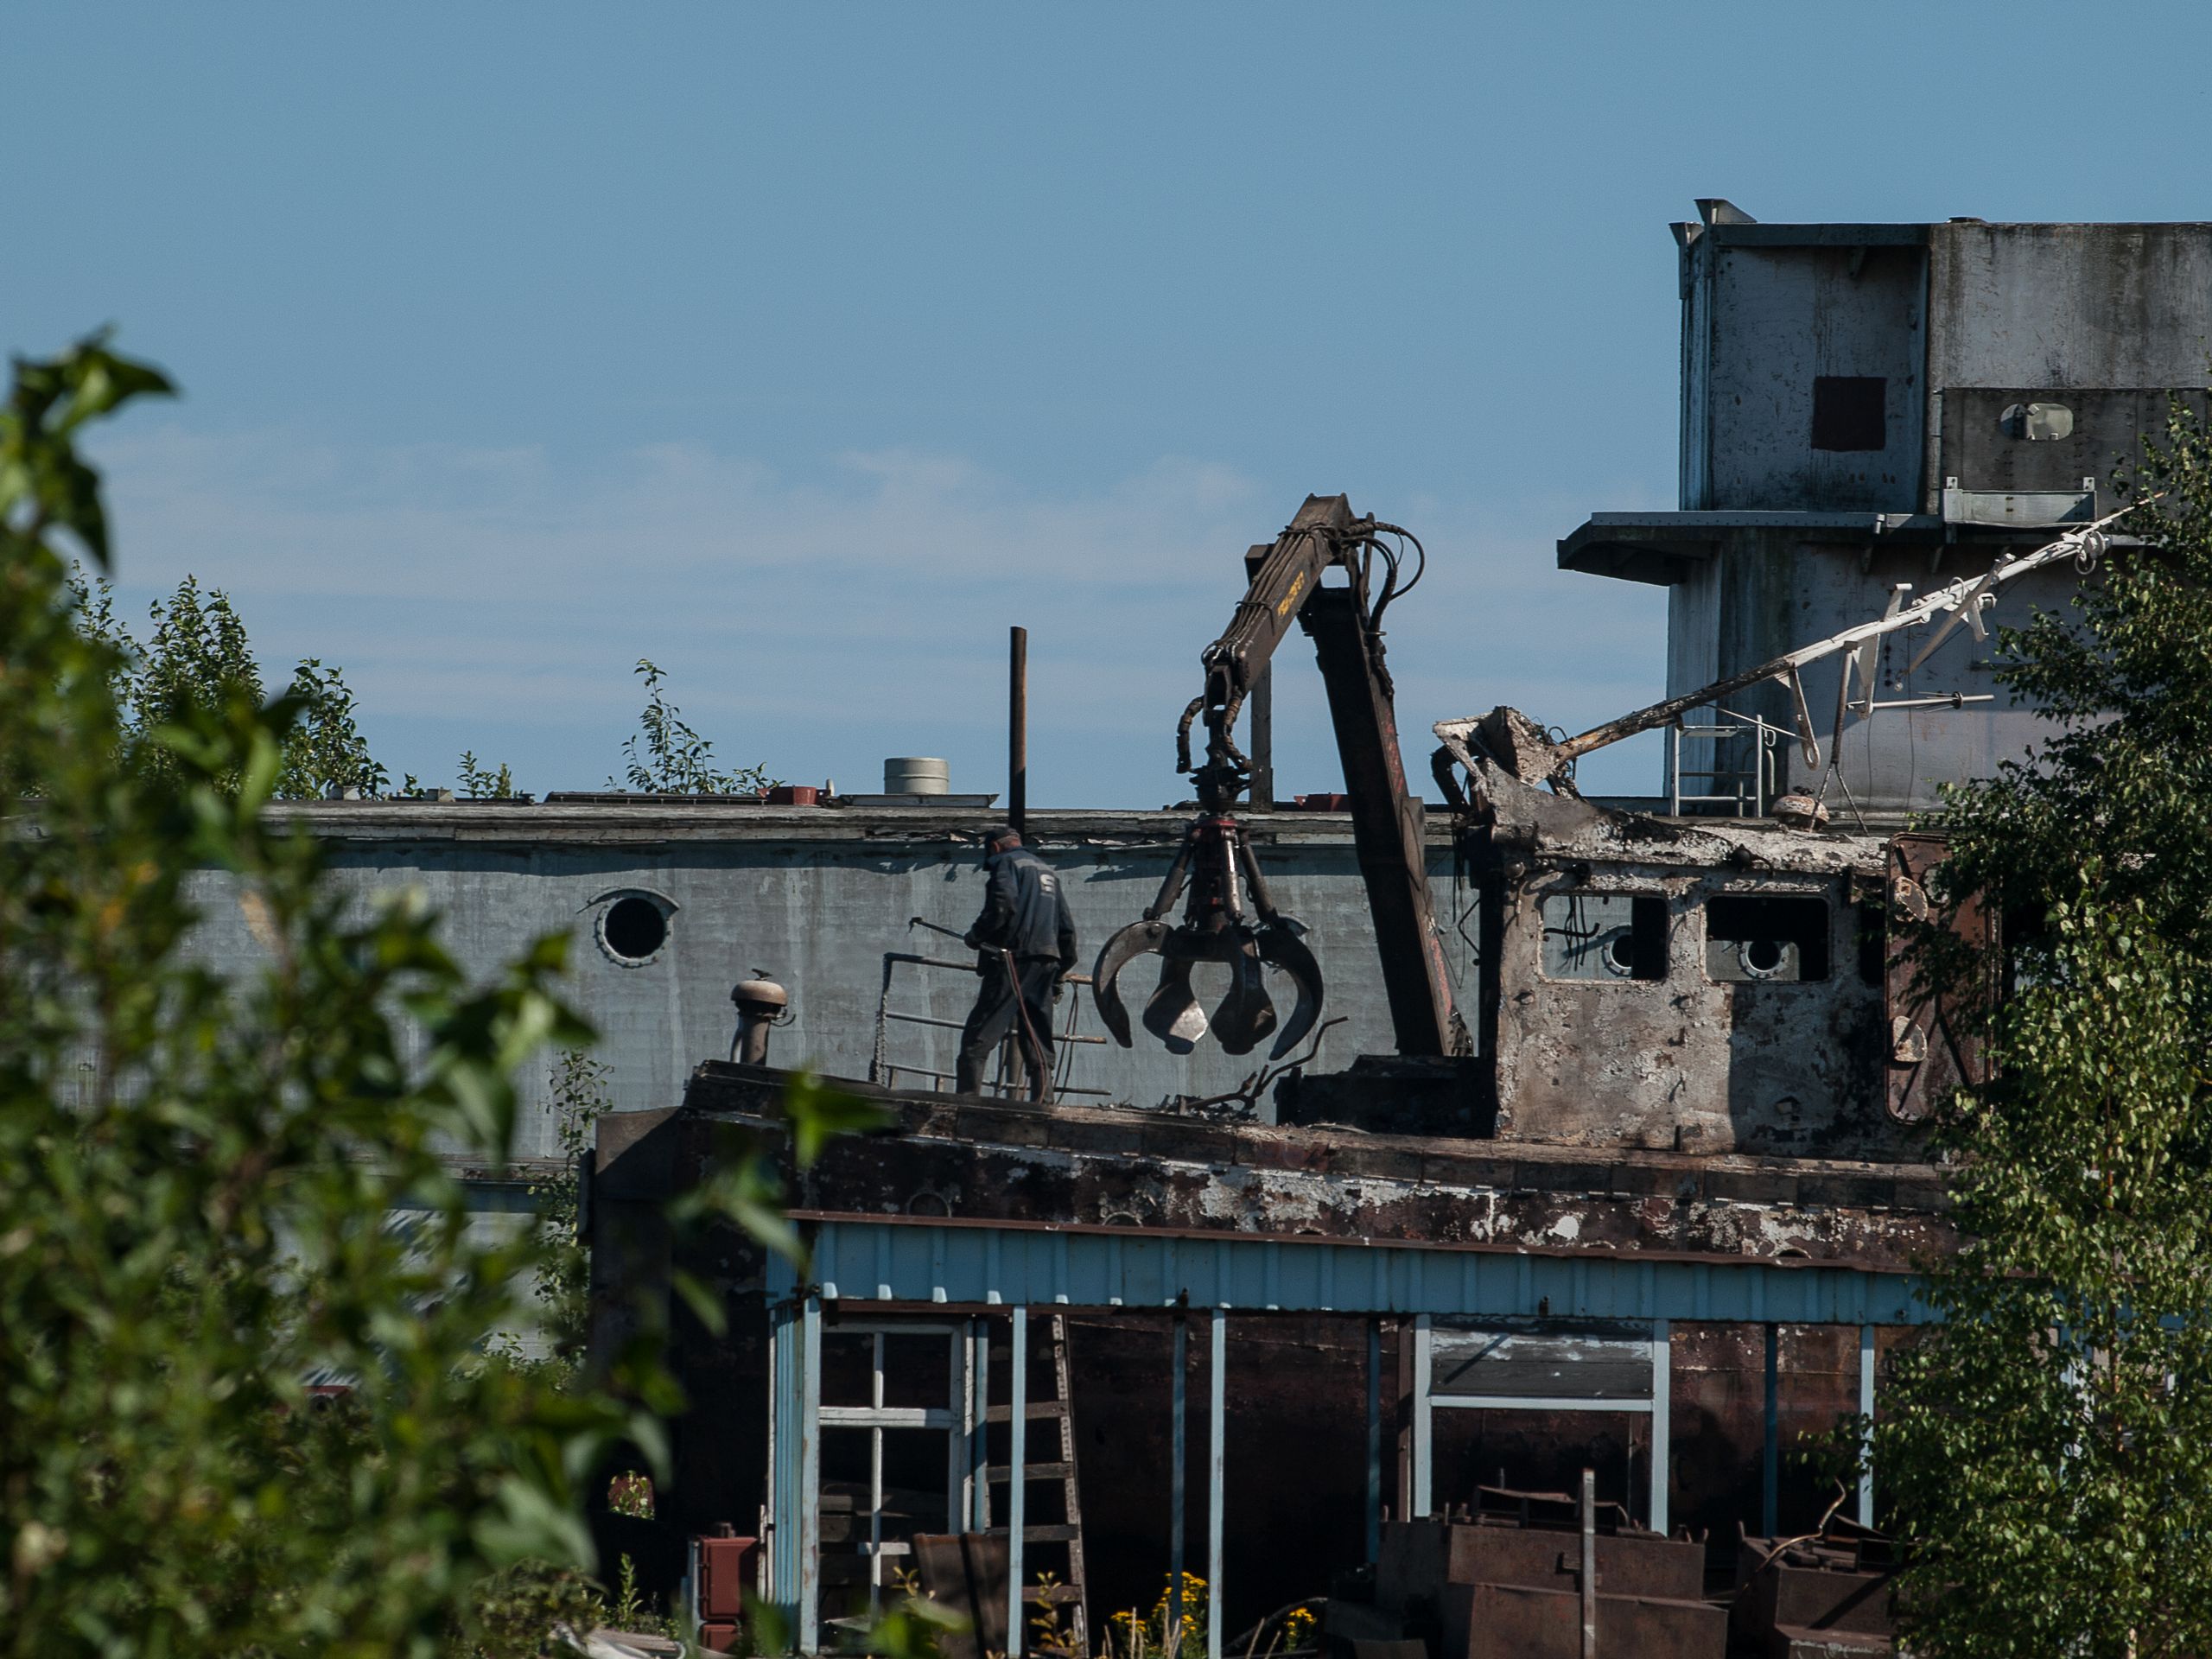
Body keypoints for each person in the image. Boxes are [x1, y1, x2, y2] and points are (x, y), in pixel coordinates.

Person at [955, 825, 1077, 1099]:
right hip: (1047, 960)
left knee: (980, 1032)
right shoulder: (1047, 871)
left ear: (995, 847)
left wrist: (977, 934)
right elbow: (1066, 928)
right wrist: (1061, 968)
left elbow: (1003, 904)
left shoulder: (1005, 862)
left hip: (1013, 958)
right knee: (1037, 1033)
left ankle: (966, 1101)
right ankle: (1043, 1104)